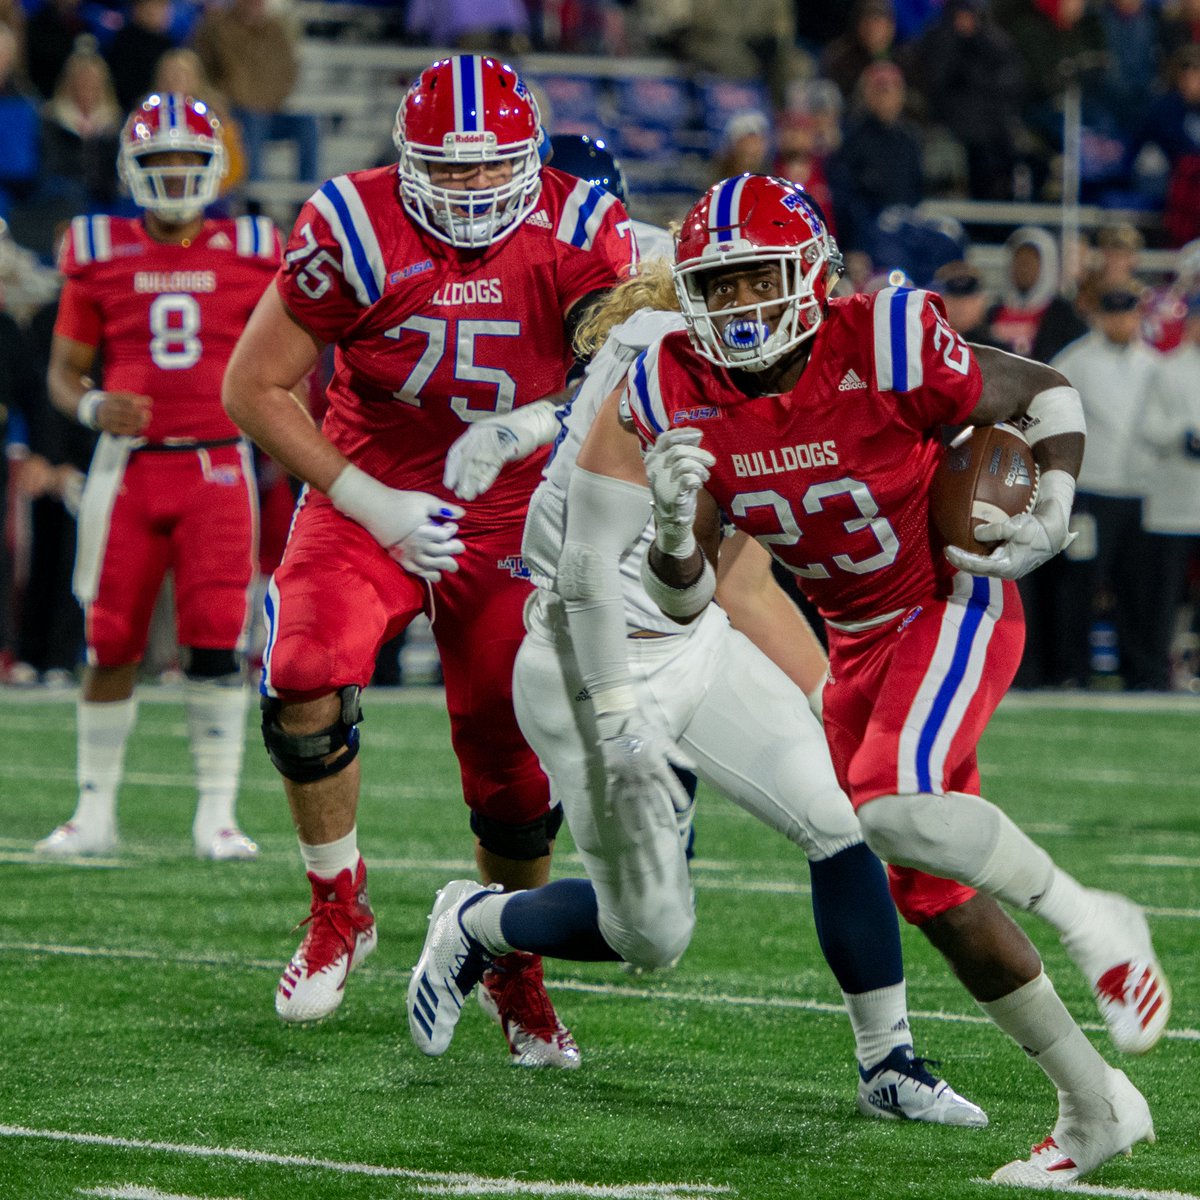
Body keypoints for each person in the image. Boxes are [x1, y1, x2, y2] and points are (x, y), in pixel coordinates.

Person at [620, 176, 1169, 1185]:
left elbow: (1043, 391)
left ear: (811, 274)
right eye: (719, 283)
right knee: (931, 890)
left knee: (889, 805)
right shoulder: (668, 387)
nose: (739, 304)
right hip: (857, 637)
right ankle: (1095, 1104)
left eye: (756, 278)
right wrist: (665, 529)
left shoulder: (883, 337)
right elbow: (688, 599)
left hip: (947, 600)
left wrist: (1051, 500)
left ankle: (1095, 918)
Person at [408, 258, 987, 1125]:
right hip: (584, 664)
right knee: (651, 936)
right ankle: (479, 922)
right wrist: (618, 718)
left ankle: (887, 1062)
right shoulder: (665, 364)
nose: (759, 311)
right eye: (737, 289)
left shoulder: (754, 360)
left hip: (693, 642)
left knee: (839, 819)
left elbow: (719, 571)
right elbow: (589, 568)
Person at [220, 55, 633, 1066]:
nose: (468, 189)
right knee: (304, 668)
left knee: (509, 758)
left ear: (531, 159)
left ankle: (512, 968)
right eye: (444, 171)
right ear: (406, 163)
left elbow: (625, 375)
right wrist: (367, 498)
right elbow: (254, 386)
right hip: (370, 489)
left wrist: (536, 426)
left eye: (488, 167)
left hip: (510, 514)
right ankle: (338, 909)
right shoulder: (354, 228)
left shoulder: (584, 231)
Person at [34, 93, 278, 860]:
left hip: (216, 464)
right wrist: (96, 402)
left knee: (215, 640)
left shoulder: (252, 248)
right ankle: (93, 811)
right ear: (130, 169)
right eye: (158, 161)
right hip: (129, 471)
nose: (174, 175)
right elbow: (64, 373)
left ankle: (217, 813)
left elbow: (288, 360)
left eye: (187, 161)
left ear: (215, 169)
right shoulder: (100, 250)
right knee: (109, 642)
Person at [1050, 283, 1161, 689]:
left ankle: (1141, 672)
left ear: (1138, 315)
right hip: (1091, 490)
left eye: (1127, 313)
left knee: (1137, 586)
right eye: (1113, 313)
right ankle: (1073, 670)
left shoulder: (1153, 364)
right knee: (1081, 583)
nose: (1120, 321)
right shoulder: (1076, 360)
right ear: (1100, 316)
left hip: (1140, 490)